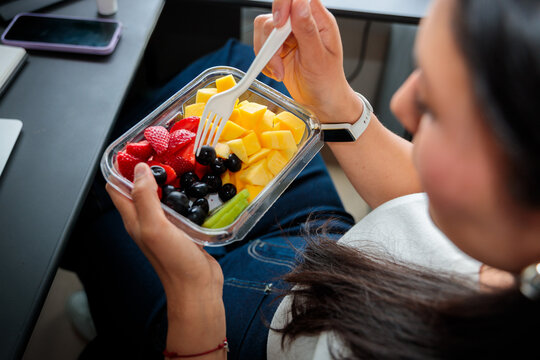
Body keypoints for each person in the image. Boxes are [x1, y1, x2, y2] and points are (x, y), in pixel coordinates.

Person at [64, 0, 540, 358]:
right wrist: (334, 101)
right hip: (336, 252)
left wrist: (191, 295)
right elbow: (421, 206)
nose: (400, 105)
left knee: (84, 201)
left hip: (242, 330)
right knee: (243, 63)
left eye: (433, 107)